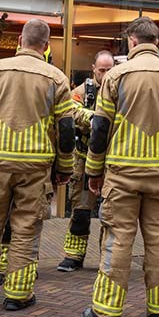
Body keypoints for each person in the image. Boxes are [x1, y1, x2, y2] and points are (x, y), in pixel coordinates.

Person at [80, 17, 159, 317]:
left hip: (122, 175)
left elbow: (99, 128)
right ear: (156, 41)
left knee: (117, 241)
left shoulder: (115, 76)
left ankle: (106, 311)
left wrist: (93, 170)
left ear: (132, 41)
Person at [0, 19, 74, 310]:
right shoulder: (57, 78)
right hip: (35, 167)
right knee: (25, 230)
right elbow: (67, 130)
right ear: (46, 46)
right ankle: (17, 294)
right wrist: (64, 168)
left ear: (20, 40)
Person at [57, 50, 115, 272]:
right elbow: (71, 109)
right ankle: (74, 256)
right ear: (94, 68)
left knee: (110, 213)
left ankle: (107, 258)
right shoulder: (82, 92)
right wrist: (92, 119)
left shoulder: (121, 90)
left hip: (111, 161)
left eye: (110, 70)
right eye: (102, 70)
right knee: (81, 210)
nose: (106, 74)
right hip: (84, 158)